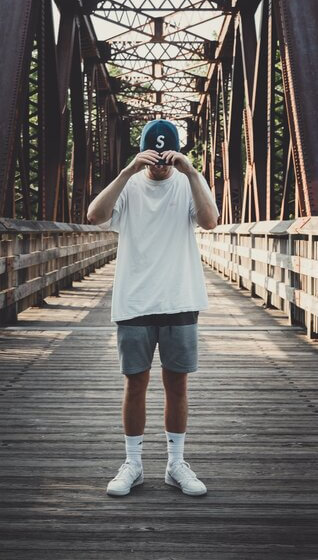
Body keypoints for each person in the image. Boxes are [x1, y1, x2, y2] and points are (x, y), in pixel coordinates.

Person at [87, 119, 219, 497]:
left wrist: (191, 171)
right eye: (154, 154)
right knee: (135, 383)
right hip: (135, 299)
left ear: (176, 151)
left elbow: (210, 221)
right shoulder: (129, 185)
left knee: (177, 384)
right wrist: (128, 170)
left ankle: (176, 464)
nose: (161, 162)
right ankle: (134, 464)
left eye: (168, 154)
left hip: (179, 296)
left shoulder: (189, 182)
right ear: (144, 151)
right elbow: (95, 216)